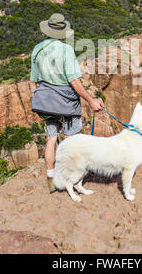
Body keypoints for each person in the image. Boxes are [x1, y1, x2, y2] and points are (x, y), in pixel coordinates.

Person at [30, 13, 103, 193]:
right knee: (70, 141)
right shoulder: (66, 50)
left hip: (46, 103)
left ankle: (50, 180)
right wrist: (91, 100)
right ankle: (70, 179)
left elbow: (34, 80)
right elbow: (74, 82)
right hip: (67, 104)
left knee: (51, 139)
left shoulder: (37, 49)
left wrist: (47, 93)